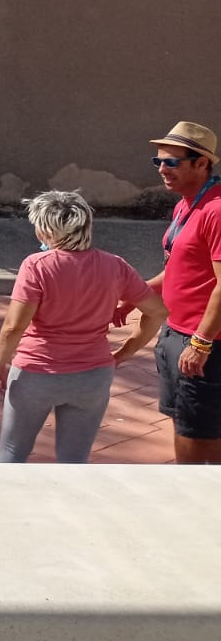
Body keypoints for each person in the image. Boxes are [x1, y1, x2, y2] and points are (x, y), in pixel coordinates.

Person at [0, 190, 166, 463]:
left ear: (45, 229)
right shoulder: (115, 265)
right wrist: (122, 355)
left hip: (37, 373)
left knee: (12, 452)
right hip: (93, 375)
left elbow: (14, 327)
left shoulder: (36, 266)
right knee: (75, 460)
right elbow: (157, 312)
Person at [139, 121, 221, 464]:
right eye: (157, 162)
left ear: (201, 163)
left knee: (202, 433)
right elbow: (178, 266)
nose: (161, 169)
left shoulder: (216, 210)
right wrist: (137, 293)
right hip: (175, 332)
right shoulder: (186, 203)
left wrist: (201, 342)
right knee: (183, 422)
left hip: (204, 344)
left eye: (171, 162)